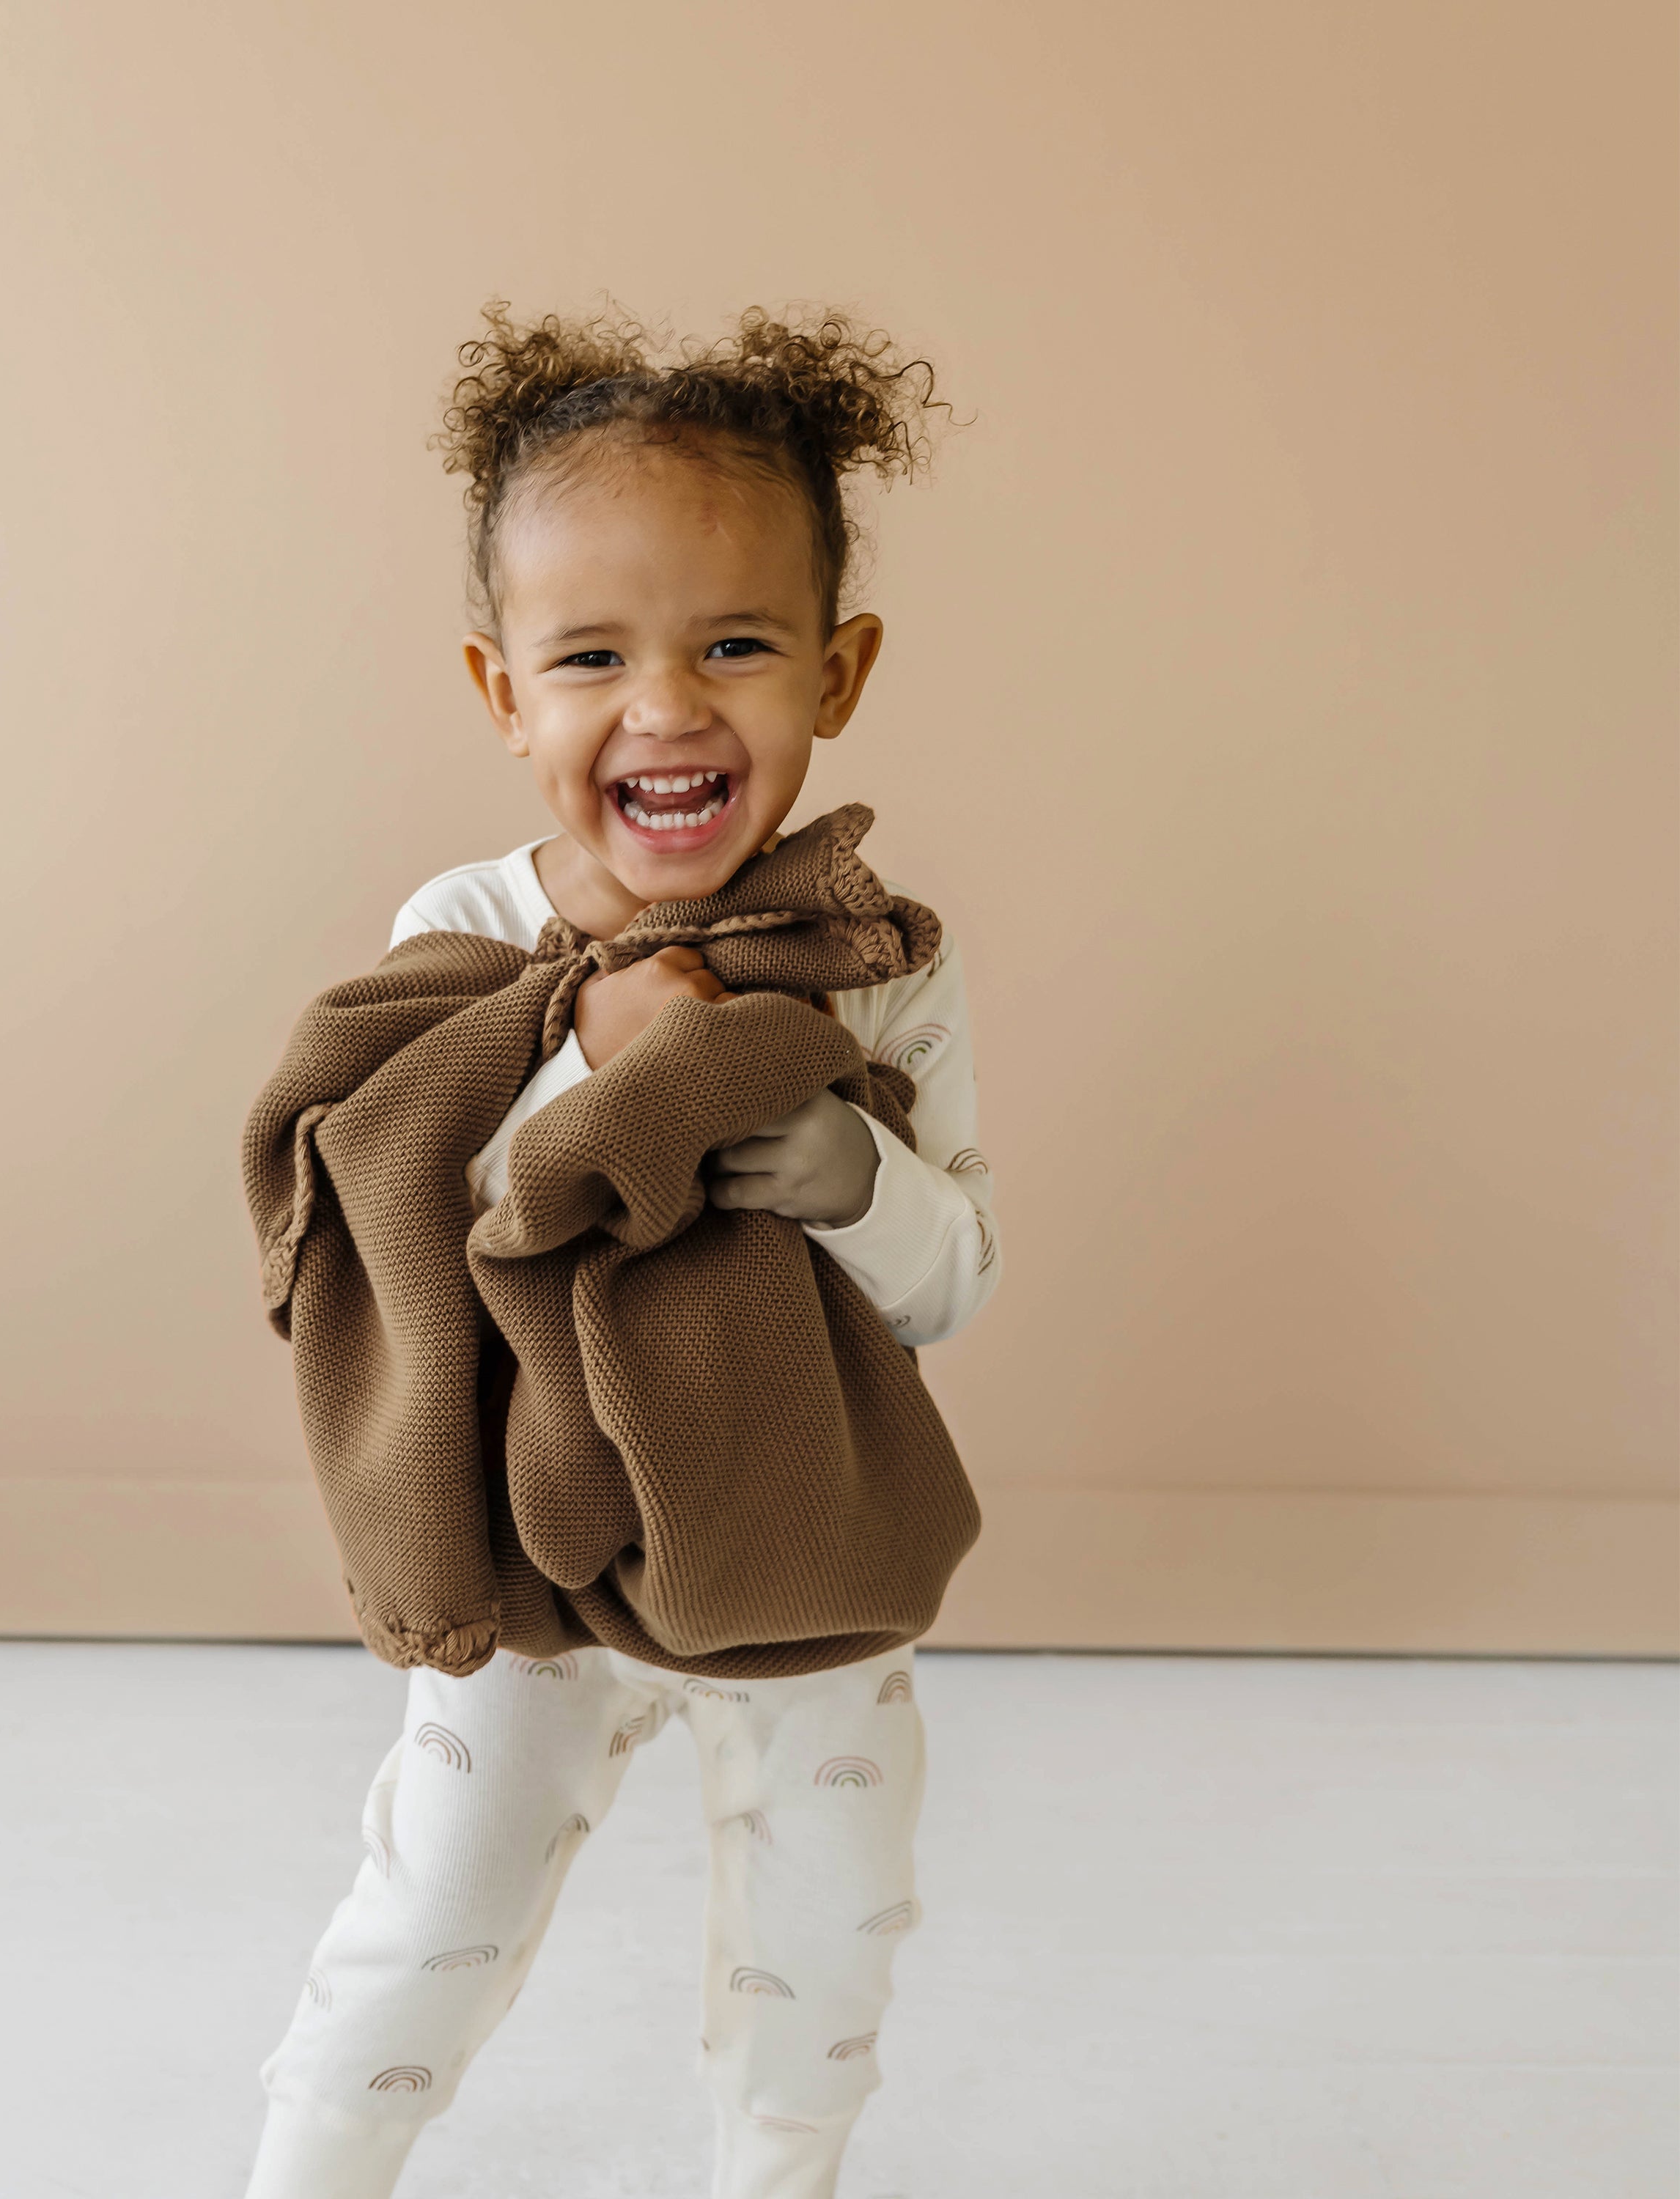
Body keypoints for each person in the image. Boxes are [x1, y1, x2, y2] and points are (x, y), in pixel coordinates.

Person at [243, 303, 1002, 2198]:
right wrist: (586, 1073)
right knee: (428, 1922)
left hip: (797, 1537)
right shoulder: (469, 926)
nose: (664, 708)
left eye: (735, 646)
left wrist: (846, 1173)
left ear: (839, 674)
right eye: (593, 657)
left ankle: (780, 2173)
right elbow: (394, 1202)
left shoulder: (878, 965)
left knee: (830, 1933)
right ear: (505, 694)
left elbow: (952, 1282)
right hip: (527, 1543)